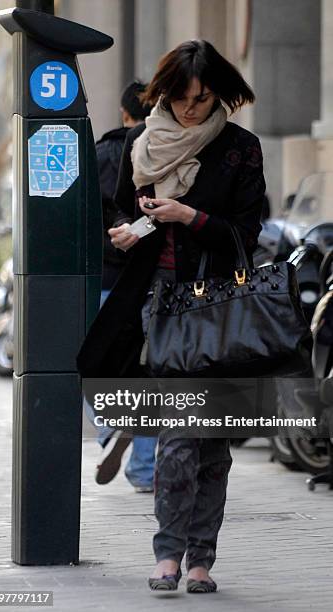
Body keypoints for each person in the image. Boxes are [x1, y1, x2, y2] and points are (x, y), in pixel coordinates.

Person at [77, 40, 266, 593]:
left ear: (219, 94)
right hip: (155, 306)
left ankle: (201, 558)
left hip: (217, 306)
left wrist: (191, 215)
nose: (190, 109)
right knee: (183, 433)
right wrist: (125, 233)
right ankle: (169, 554)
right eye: (181, 98)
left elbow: (246, 235)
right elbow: (118, 205)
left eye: (202, 99)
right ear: (164, 94)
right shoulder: (141, 142)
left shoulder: (239, 148)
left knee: (213, 438)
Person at [84, 81, 157, 492]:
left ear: (123, 112)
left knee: (93, 363)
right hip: (150, 279)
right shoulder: (161, 151)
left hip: (104, 279)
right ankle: (144, 471)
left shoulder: (99, 152)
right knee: (147, 371)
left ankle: (111, 424)